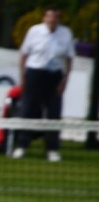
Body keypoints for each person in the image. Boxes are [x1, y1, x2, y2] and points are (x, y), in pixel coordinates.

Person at [12, 8, 75, 162]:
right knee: (28, 110)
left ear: (59, 20)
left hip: (54, 76)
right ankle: (21, 146)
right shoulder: (34, 31)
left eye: (55, 17)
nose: (52, 20)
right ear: (44, 18)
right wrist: (23, 77)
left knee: (54, 113)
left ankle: (52, 149)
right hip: (35, 73)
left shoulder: (66, 33)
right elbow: (24, 54)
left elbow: (69, 59)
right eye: (49, 16)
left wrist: (64, 80)